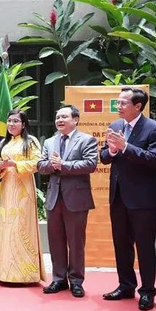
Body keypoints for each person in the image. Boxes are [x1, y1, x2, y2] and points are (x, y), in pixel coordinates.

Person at [100, 87, 156, 311]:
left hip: (142, 198)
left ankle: (147, 292)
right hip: (118, 196)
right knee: (121, 244)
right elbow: (104, 157)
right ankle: (126, 286)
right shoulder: (116, 126)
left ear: (138, 106)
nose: (119, 107)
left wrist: (125, 147)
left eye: (123, 103)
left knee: (144, 247)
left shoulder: (154, 129)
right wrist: (113, 151)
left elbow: (154, 159)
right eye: (117, 103)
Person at [37, 105, 97, 298]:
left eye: (64, 117)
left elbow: (90, 164)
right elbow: (41, 166)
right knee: (56, 242)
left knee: (76, 242)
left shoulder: (86, 140)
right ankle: (59, 279)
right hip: (54, 198)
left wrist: (63, 165)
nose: (59, 120)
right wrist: (51, 165)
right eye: (57, 117)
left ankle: (77, 281)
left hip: (76, 199)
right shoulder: (50, 142)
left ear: (76, 120)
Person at [0, 109, 46, 283]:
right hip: (7, 188)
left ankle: (26, 273)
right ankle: (5, 272)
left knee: (22, 226)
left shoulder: (31, 141)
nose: (11, 124)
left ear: (23, 124)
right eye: (9, 121)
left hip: (24, 190)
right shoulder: (3, 144)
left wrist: (15, 164)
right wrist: (1, 166)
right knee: (7, 227)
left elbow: (37, 163)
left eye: (15, 121)